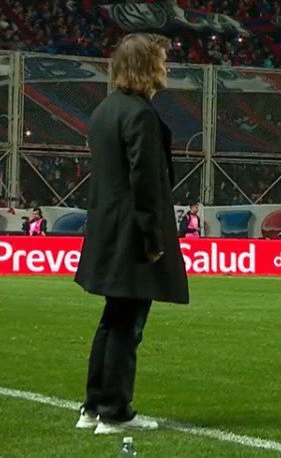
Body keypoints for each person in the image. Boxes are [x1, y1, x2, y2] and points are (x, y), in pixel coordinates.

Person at [74, 33, 190, 435]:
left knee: (113, 319)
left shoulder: (107, 109)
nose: (166, 68)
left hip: (108, 227)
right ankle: (115, 411)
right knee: (128, 324)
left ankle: (93, 405)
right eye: (161, 61)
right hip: (131, 232)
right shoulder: (139, 114)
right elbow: (145, 182)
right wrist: (152, 238)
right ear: (146, 66)